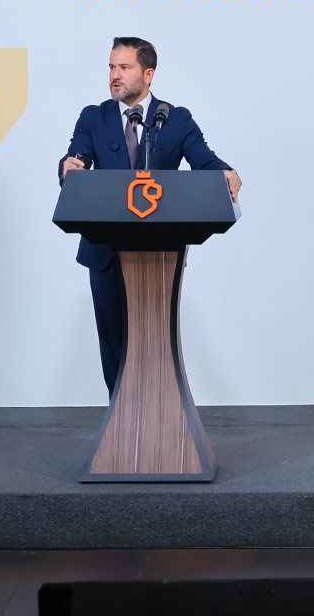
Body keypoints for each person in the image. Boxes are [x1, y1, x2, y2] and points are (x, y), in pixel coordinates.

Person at [58, 36, 241, 393]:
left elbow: (205, 161)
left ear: (148, 74)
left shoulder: (175, 119)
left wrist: (226, 172)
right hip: (104, 253)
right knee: (114, 347)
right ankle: (120, 416)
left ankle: (157, 416)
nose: (114, 75)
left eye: (124, 67)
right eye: (111, 67)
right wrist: (69, 166)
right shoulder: (93, 117)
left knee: (156, 347)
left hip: (160, 253)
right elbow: (75, 158)